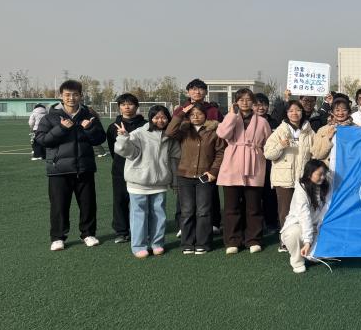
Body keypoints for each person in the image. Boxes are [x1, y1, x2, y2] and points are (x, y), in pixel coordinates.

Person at [36, 80, 107, 251]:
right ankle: (58, 237)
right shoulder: (50, 117)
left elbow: (100, 139)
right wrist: (61, 128)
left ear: (81, 96)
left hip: (84, 167)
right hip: (58, 169)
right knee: (59, 205)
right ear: (61, 96)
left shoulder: (88, 115)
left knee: (88, 204)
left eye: (75, 94)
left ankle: (88, 234)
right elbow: (42, 140)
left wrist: (90, 128)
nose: (71, 98)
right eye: (67, 95)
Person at [114, 105, 180, 258]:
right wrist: (123, 137)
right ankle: (139, 246)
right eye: (156, 117)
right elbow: (127, 152)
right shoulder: (138, 133)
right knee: (139, 215)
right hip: (139, 182)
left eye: (164, 117)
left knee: (159, 215)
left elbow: (174, 160)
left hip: (160, 182)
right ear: (150, 118)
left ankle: (157, 243)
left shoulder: (170, 137)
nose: (160, 120)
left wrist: (175, 181)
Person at [216, 88, 272, 255]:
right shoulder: (230, 117)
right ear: (236, 102)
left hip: (254, 164)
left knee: (253, 206)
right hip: (232, 164)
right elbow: (222, 133)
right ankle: (232, 240)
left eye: (248, 99)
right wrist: (232, 115)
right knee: (231, 207)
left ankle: (253, 239)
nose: (245, 103)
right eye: (241, 100)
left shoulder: (262, 121)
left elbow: (268, 143)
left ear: (253, 102)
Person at [166, 103, 226, 255]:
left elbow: (220, 152)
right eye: (192, 114)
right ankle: (187, 243)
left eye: (199, 114)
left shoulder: (214, 131)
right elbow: (169, 132)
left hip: (205, 177)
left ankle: (203, 243)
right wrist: (180, 114)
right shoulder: (184, 130)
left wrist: (213, 171)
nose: (196, 117)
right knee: (187, 211)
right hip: (185, 176)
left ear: (205, 115)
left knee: (203, 211)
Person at [264, 99, 315, 252]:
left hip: (303, 178)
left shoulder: (309, 131)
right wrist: (281, 145)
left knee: (305, 209)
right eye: (291, 111)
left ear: (302, 112)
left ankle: (304, 240)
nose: (295, 113)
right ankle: (285, 242)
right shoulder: (280, 131)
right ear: (286, 113)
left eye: (298, 110)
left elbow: (315, 153)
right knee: (285, 212)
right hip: (284, 178)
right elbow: (268, 154)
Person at [106, 93, 147, 244]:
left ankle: (142, 229)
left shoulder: (146, 125)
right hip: (120, 170)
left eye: (130, 104)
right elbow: (114, 150)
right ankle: (122, 231)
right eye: (123, 104)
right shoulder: (113, 127)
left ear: (136, 106)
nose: (127, 107)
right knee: (120, 200)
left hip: (141, 169)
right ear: (119, 107)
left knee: (141, 201)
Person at [279, 159, 330, 273]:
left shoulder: (326, 185)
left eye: (324, 174)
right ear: (309, 174)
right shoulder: (301, 189)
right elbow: (304, 216)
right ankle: (297, 261)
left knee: (315, 256)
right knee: (293, 233)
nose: (323, 177)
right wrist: (308, 241)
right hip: (299, 225)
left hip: (318, 226)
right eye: (319, 174)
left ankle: (312, 253)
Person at [253, 92, 280, 232]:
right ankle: (255, 223)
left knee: (270, 194)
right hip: (253, 162)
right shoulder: (247, 122)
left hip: (270, 163)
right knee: (253, 195)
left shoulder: (275, 122)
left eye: (263, 104)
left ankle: (271, 222)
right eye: (257, 105)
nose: (261, 108)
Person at [312, 97, 355, 166]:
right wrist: (327, 138)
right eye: (337, 110)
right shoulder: (323, 130)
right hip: (328, 169)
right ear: (332, 112)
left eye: (344, 110)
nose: (340, 113)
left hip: (349, 168)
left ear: (349, 112)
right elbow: (317, 155)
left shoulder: (355, 129)